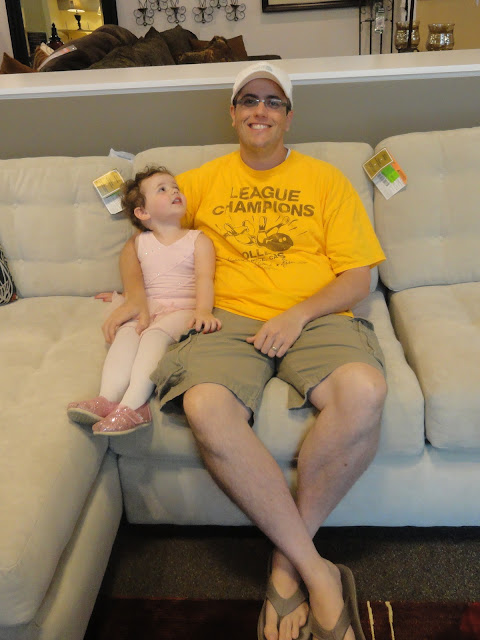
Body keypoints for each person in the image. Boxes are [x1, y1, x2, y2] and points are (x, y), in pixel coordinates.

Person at [103, 62, 387, 640]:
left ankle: (286, 564)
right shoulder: (201, 181)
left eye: (273, 101)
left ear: (289, 116)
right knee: (205, 405)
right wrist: (135, 296)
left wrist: (297, 314)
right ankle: (319, 573)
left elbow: (359, 277)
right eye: (250, 100)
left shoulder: (326, 180)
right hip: (225, 319)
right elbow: (139, 239)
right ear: (233, 113)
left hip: (313, 314)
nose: (261, 110)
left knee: (366, 391)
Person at [68, 166, 221, 436]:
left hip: (183, 309)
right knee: (127, 332)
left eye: (175, 187)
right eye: (162, 189)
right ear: (142, 213)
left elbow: (204, 279)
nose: (174, 191)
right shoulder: (139, 243)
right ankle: (107, 398)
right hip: (150, 306)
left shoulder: (198, 240)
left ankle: (135, 405)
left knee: (153, 335)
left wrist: (204, 311)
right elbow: (137, 280)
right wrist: (123, 297)